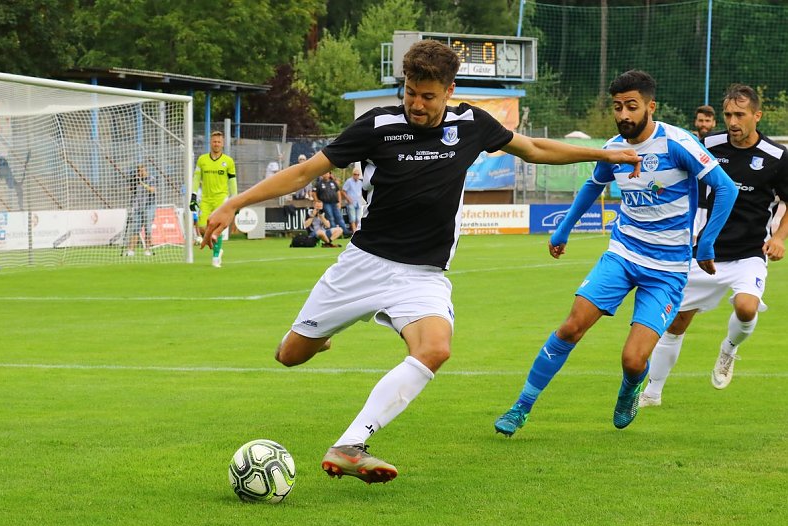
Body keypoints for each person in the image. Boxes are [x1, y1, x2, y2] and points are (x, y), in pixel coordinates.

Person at [202, 40, 642, 484]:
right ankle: (322, 336)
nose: (416, 103)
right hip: (363, 265)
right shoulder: (376, 125)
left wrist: (604, 155)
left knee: (436, 349)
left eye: (427, 96)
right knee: (290, 356)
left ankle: (351, 444)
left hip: (423, 275)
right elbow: (303, 172)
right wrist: (234, 204)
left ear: (449, 91)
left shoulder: (471, 124)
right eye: (410, 92)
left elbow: (534, 150)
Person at [494, 70, 738, 437]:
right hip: (623, 254)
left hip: (668, 269)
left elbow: (726, 188)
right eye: (618, 107)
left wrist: (705, 242)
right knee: (571, 326)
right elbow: (593, 186)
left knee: (633, 359)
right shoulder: (612, 149)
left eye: (632, 106)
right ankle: (521, 407)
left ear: (650, 107)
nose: (623, 114)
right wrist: (563, 229)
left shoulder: (677, 143)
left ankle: (630, 389)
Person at [640, 85, 788, 406]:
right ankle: (652, 393)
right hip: (702, 253)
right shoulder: (707, 144)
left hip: (749, 253)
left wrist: (778, 238)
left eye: (740, 115)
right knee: (677, 321)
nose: (733, 121)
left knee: (746, 308)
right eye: (728, 115)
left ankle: (729, 349)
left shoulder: (777, 157)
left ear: (757, 116)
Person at [191, 131, 237, 267]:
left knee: (217, 227)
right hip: (205, 198)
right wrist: (193, 195)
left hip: (221, 198)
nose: (216, 144)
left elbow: (232, 181)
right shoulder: (202, 160)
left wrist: (235, 199)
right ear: (210, 143)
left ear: (222, 144)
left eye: (219, 142)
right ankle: (219, 249)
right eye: (214, 141)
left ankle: (216, 256)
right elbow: (196, 178)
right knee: (203, 227)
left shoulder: (228, 161)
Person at [693, 104, 718, 235]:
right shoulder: (689, 144)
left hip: (712, 207)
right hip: (692, 204)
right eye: (701, 120)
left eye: (707, 121)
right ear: (695, 122)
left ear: (714, 123)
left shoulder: (720, 147)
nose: (704, 124)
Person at [123, 164, 157, 256]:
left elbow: (152, 190)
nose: (141, 173)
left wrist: (142, 184)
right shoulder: (136, 180)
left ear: (146, 170)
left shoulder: (151, 179)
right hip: (138, 206)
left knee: (147, 228)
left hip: (149, 206)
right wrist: (132, 183)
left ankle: (147, 249)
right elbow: (130, 190)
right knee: (135, 228)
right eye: (139, 171)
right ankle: (131, 250)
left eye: (142, 170)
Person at [312, 170, 348, 235]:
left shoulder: (333, 183)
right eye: (324, 174)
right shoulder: (319, 183)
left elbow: (338, 192)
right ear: (322, 175)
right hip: (326, 203)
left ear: (329, 174)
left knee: (339, 217)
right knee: (330, 218)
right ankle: (333, 232)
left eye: (327, 173)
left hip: (334, 203)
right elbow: (313, 193)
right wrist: (317, 201)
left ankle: (345, 232)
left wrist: (339, 202)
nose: (326, 175)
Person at [341, 166, 364, 234]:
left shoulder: (360, 182)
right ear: (352, 174)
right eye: (355, 174)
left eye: (358, 174)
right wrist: (348, 199)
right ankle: (354, 232)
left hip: (358, 202)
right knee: (352, 218)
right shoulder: (349, 181)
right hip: (351, 202)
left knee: (358, 219)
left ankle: (357, 231)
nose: (356, 176)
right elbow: (343, 191)